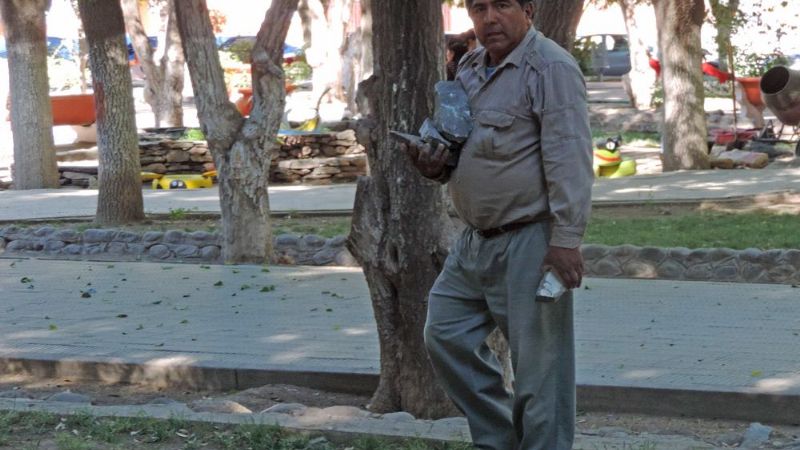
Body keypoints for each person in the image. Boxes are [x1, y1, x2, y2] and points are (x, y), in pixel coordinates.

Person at [403, 0, 593, 448]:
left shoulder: (551, 68)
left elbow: (571, 159)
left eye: (502, 5)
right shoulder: (470, 67)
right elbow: (461, 145)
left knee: (540, 375)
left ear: (528, 9)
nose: (488, 18)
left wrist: (565, 240)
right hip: (474, 241)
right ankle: (500, 440)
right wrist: (434, 164)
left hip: (531, 239)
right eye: (478, 8)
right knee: (445, 335)